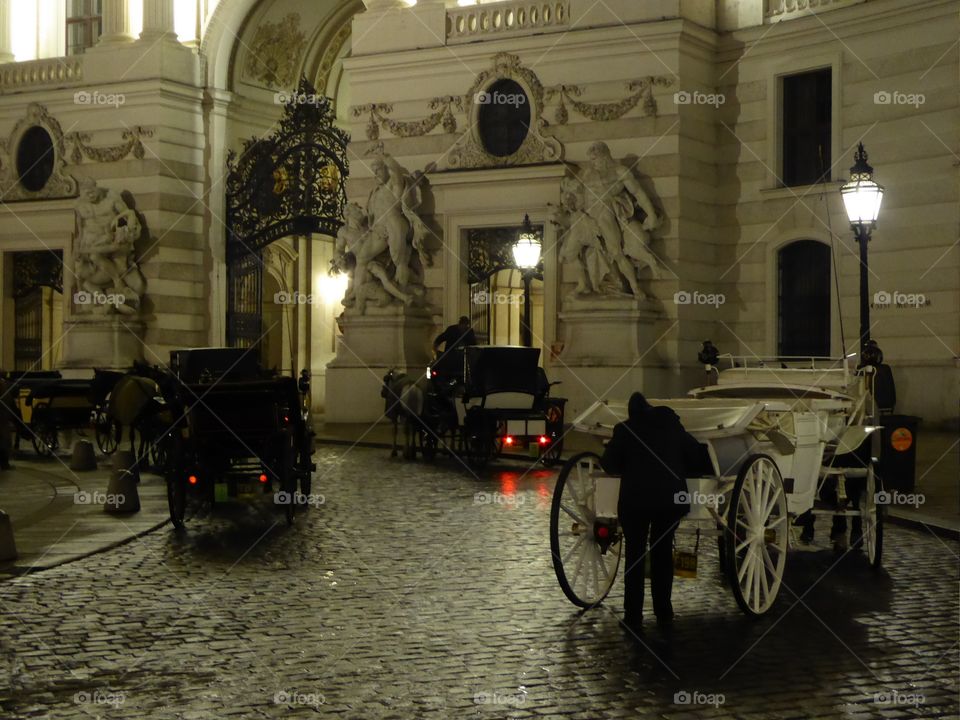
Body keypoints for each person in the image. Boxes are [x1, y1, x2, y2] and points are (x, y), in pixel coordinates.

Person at [600, 392, 700, 633]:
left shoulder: (624, 430)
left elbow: (609, 464)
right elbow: (695, 454)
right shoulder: (672, 426)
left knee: (634, 555)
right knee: (662, 551)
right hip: (670, 500)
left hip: (635, 502)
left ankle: (633, 616)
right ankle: (663, 612)